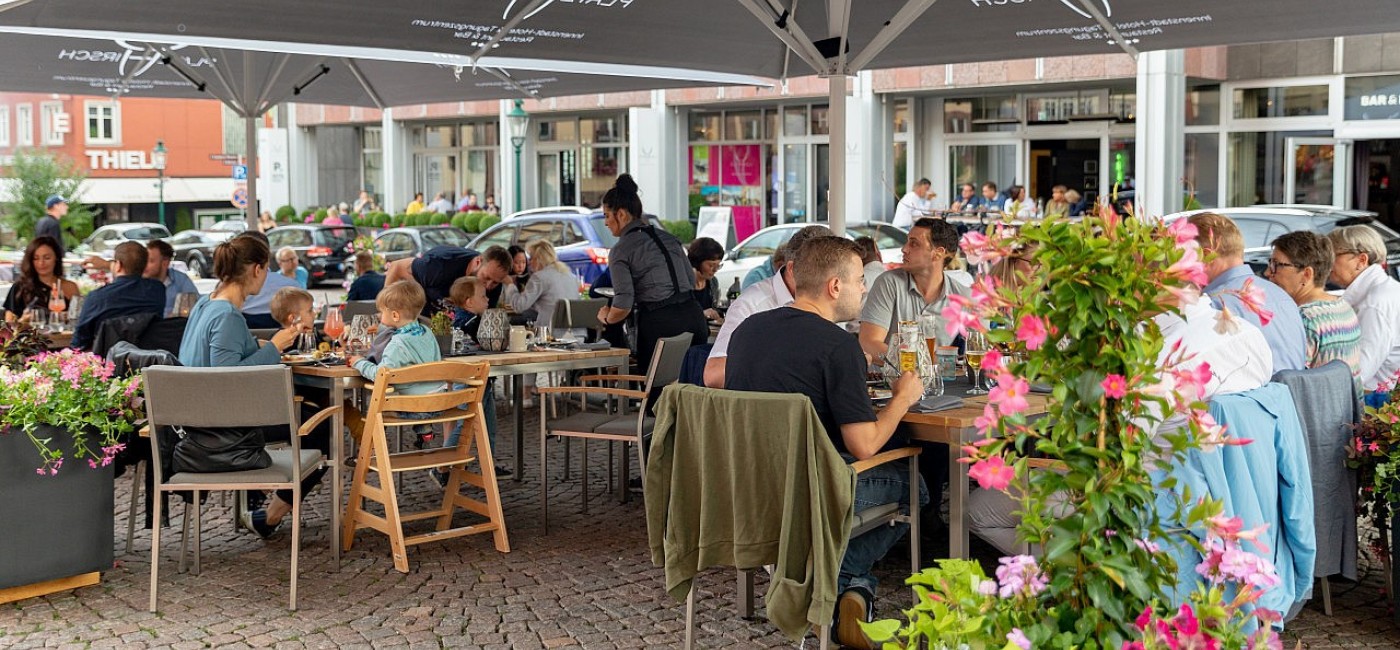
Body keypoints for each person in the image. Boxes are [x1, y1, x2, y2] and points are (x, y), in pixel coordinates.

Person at [725, 236, 927, 649]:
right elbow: (865, 445)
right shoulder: (838, 347)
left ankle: (853, 588)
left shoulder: (747, 331)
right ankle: (847, 582)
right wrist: (904, 397)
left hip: (746, 486)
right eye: (859, 281)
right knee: (917, 486)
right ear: (835, 287)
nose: (865, 288)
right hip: (811, 491)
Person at [969, 297, 1275, 556]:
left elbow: (1112, 447)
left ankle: (1077, 568)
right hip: (1221, 486)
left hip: (1132, 494)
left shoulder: (1160, 358)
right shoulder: (1248, 333)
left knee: (975, 509)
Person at [177, 235, 320, 538]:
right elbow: (229, 378)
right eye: (266, 270)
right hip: (223, 431)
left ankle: (269, 513)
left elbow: (212, 355)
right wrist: (275, 348)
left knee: (314, 408)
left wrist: (254, 345)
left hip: (198, 421)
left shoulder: (206, 304)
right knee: (324, 427)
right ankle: (269, 516)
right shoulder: (227, 314)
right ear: (258, 269)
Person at [595, 174, 708, 371]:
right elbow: (690, 280)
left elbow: (623, 305)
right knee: (692, 390)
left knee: (657, 394)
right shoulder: (669, 238)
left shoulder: (621, 250)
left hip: (661, 325)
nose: (605, 222)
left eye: (606, 215)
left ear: (621, 214)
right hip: (694, 317)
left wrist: (606, 316)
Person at [704, 224, 828, 388]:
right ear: (792, 269)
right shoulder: (753, 304)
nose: (830, 281)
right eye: (821, 271)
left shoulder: (828, 299)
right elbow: (715, 375)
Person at [1189, 213, 1306, 372]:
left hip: (1253, 394)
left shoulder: (1213, 305)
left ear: (1207, 256)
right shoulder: (1283, 297)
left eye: (1185, 256)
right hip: (1292, 394)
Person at [346, 280, 445, 447]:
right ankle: (424, 430)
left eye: (381, 312)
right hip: (437, 401)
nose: (379, 316)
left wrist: (359, 362)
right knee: (413, 387)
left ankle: (373, 444)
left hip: (413, 407)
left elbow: (381, 375)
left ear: (395, 316)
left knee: (376, 402)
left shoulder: (397, 344)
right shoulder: (427, 332)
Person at [860, 217, 969, 362]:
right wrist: (919, 364)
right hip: (888, 382)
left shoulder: (964, 297)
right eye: (907, 242)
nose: (904, 249)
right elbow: (869, 344)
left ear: (938, 253)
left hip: (942, 384)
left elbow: (979, 351)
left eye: (914, 244)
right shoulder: (888, 283)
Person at [1265, 231, 1362, 380]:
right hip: (1346, 403)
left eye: (1277, 265)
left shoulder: (1303, 319)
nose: (1268, 272)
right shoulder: (1343, 306)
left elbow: (1283, 381)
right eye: (1270, 263)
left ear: (1307, 274)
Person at [1326, 225, 1400, 400]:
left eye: (1332, 255)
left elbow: (1359, 372)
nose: (1327, 263)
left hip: (1374, 402)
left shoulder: (1375, 303)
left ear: (1361, 260)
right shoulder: (1382, 290)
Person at [71, 241, 165, 350]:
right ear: (144, 266)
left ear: (118, 265)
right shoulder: (157, 290)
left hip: (107, 363)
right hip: (147, 360)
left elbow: (78, 342)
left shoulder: (97, 297)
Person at [384, 244, 511, 317]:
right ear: (478, 262)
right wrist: (385, 311)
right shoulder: (439, 265)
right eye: (486, 277)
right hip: (419, 318)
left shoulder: (494, 285)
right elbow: (396, 267)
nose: (488, 286)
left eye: (495, 282)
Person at [502, 238, 578, 331]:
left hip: (550, 333)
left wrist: (510, 285)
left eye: (531, 258)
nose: (529, 262)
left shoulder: (539, 277)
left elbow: (519, 306)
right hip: (577, 332)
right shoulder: (570, 276)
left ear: (539, 259)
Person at [237, 231, 303, 330]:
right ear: (267, 254)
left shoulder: (231, 291)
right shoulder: (292, 286)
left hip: (242, 338)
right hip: (284, 341)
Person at [3, 236, 78, 322]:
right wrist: (23, 320)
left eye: (47, 258)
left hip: (63, 335)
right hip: (30, 335)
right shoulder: (19, 287)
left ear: (56, 258)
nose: (41, 263)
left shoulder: (70, 287)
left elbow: (79, 321)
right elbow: (9, 330)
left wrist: (67, 317)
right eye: (36, 258)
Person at [145, 240, 199, 317]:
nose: (144, 265)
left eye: (151, 261)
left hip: (174, 327)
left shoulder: (181, 279)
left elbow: (194, 306)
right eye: (144, 260)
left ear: (165, 262)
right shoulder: (139, 282)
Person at [687, 236, 725, 323]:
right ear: (697, 262)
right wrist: (701, 314)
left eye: (718, 265)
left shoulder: (713, 282)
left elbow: (715, 308)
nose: (715, 270)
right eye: (711, 265)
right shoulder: (683, 283)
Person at [36, 195, 67, 261]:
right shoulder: (53, 224)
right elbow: (53, 248)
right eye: (64, 205)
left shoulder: (41, 221)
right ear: (56, 206)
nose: (67, 207)